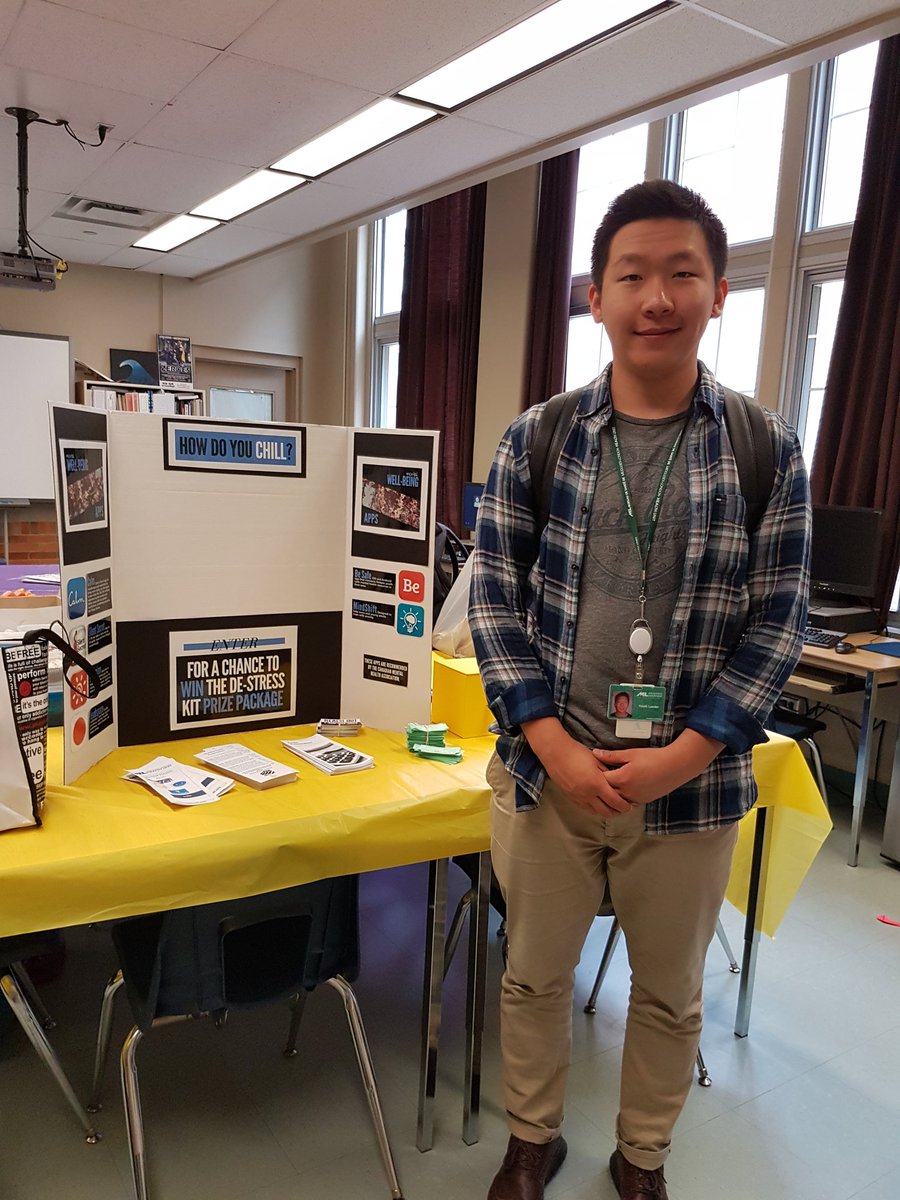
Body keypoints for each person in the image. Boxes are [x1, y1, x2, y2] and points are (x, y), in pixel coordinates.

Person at [469, 179, 810, 1200]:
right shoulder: (539, 439)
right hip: (548, 779)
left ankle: (644, 1156)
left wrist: (687, 751)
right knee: (531, 977)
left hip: (692, 788)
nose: (655, 296)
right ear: (595, 297)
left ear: (718, 294)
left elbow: (780, 621)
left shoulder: (763, 447)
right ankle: (533, 1140)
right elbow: (492, 604)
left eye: (680, 275)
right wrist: (555, 746)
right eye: (632, 276)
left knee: (668, 994)